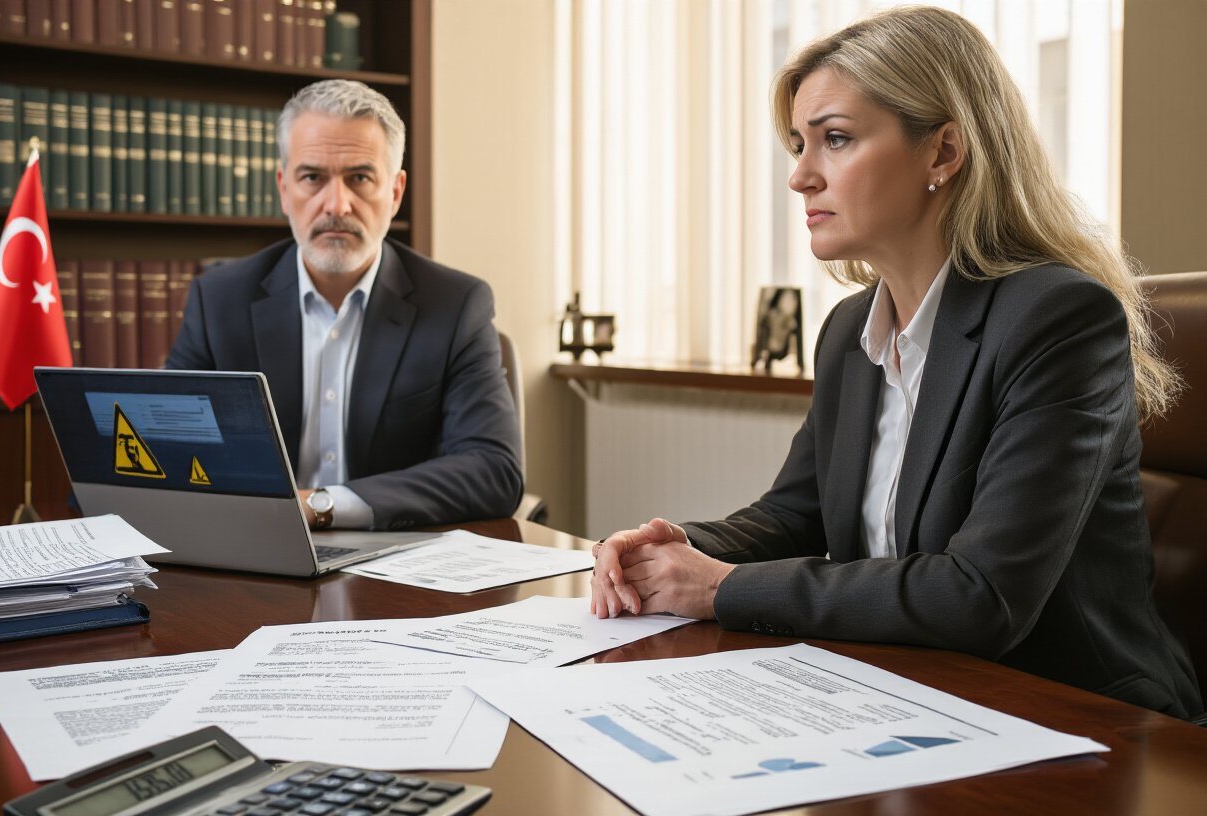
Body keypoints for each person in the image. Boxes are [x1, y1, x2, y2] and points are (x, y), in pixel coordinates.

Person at [589, 5, 1201, 718]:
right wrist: (670, 548)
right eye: (798, 145)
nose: (800, 178)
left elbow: (982, 595)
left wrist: (717, 587)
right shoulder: (851, 330)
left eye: (836, 140)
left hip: (1074, 714)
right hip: (906, 691)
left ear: (943, 152)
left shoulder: (1058, 319)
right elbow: (795, 514)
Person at [166, 79, 523, 531]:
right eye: (312, 177)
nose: (337, 204)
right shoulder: (219, 301)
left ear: (394, 192)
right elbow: (164, 448)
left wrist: (319, 505)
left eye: (360, 178)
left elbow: (495, 470)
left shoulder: (455, 306)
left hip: (399, 561)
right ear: (283, 189)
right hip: (257, 559)